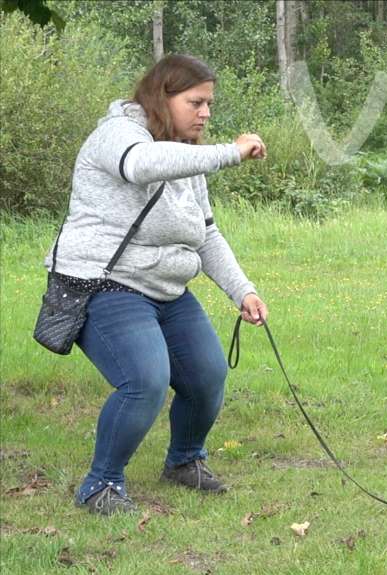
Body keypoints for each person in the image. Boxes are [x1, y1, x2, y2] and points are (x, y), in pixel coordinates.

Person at [45, 55, 269, 515]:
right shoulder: (118, 135)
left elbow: (205, 233)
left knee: (207, 376)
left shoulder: (187, 154)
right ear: (162, 97)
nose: (206, 113)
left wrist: (242, 289)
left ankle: (184, 462)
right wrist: (230, 151)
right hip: (106, 284)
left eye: (209, 103)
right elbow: (141, 165)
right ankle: (100, 486)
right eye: (196, 102)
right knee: (145, 380)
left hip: (167, 289)